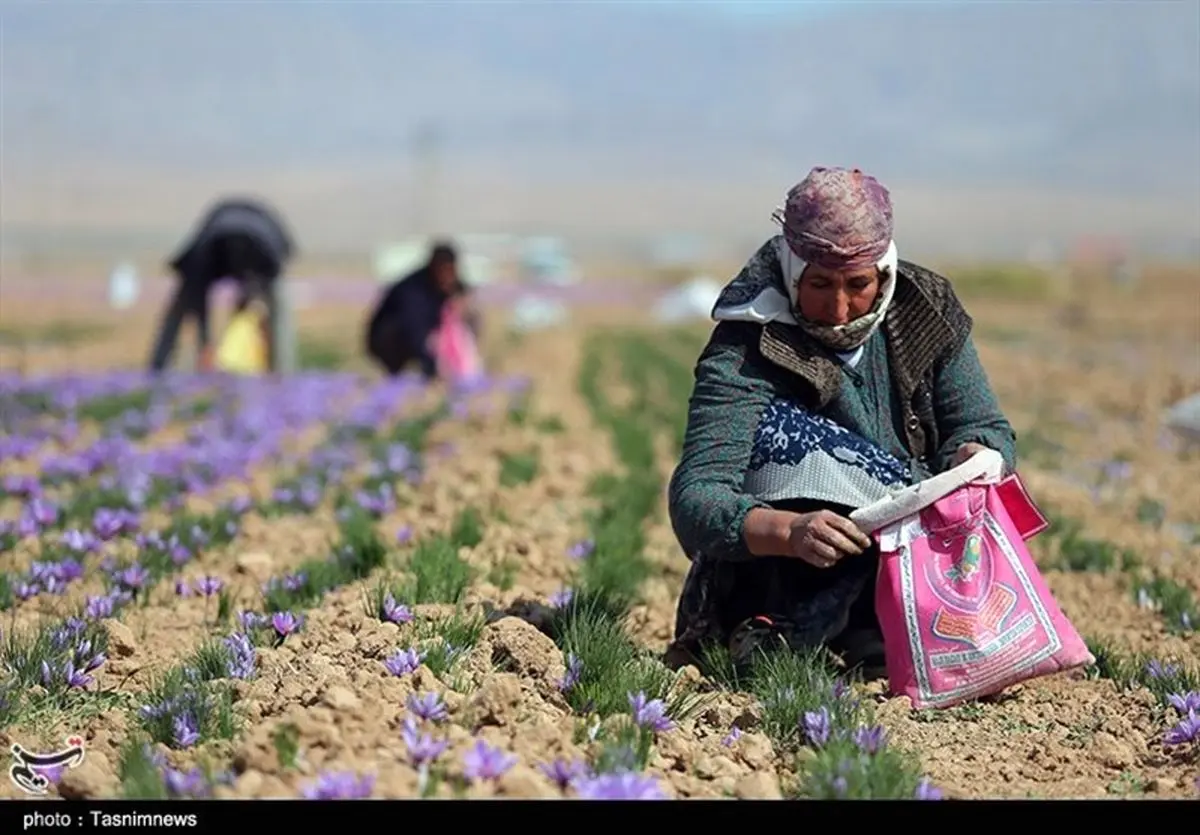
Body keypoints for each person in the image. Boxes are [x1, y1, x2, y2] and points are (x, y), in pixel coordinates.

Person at [664, 166, 1017, 680]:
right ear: (791, 273)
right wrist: (789, 531)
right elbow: (698, 496)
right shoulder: (745, 346)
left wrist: (973, 456)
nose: (839, 308)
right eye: (820, 283)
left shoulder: (927, 315)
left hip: (911, 567)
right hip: (780, 579)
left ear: (884, 275)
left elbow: (985, 427)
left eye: (859, 284)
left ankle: (890, 633)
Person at [148, 197, 295, 372]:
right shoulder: (202, 259)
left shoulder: (258, 250)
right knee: (276, 317)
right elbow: (198, 304)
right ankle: (281, 372)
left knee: (274, 316)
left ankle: (158, 370)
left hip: (257, 250)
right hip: (234, 251)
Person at [365, 241, 480, 379]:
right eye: (444, 271)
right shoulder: (412, 291)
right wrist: (431, 369)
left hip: (423, 336)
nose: (448, 277)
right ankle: (401, 376)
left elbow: (466, 305)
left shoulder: (450, 285)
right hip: (390, 339)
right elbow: (414, 330)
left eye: (451, 272)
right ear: (434, 267)